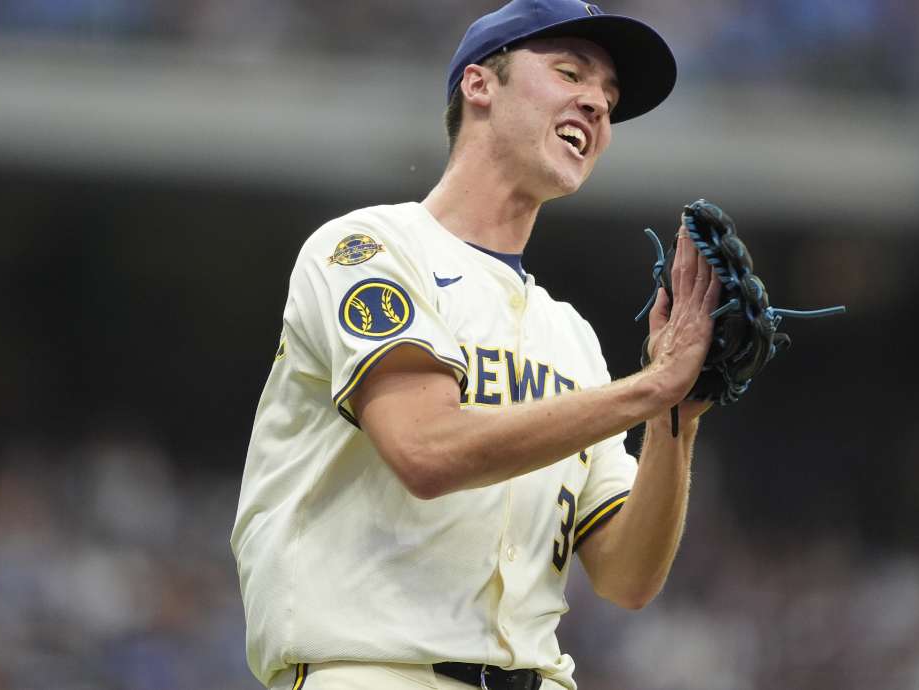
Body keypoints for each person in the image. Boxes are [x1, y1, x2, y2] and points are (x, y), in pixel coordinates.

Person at [231, 2, 721, 689]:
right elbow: (426, 451)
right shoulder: (368, 249)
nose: (597, 104)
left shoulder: (571, 337)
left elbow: (628, 577)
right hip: (375, 673)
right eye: (569, 71)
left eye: (609, 97)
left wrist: (676, 422)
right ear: (479, 85)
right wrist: (649, 390)